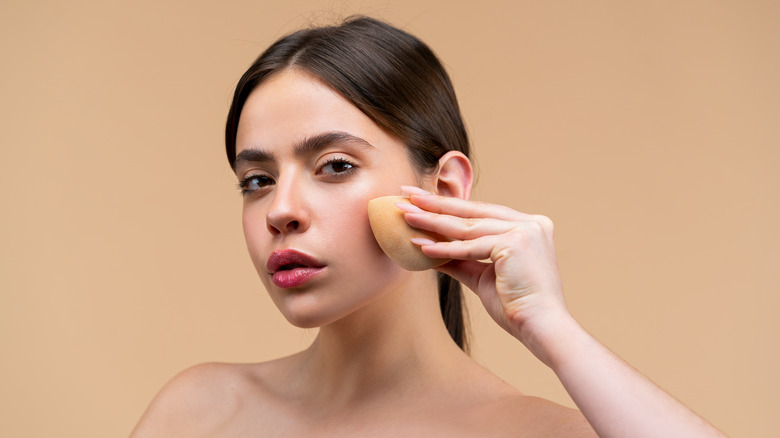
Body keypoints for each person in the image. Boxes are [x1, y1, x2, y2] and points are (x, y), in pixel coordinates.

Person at [131, 16, 726, 437]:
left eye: (335, 166)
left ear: (443, 189)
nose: (280, 210)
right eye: (256, 180)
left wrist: (552, 329)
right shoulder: (200, 412)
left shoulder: (535, 432)